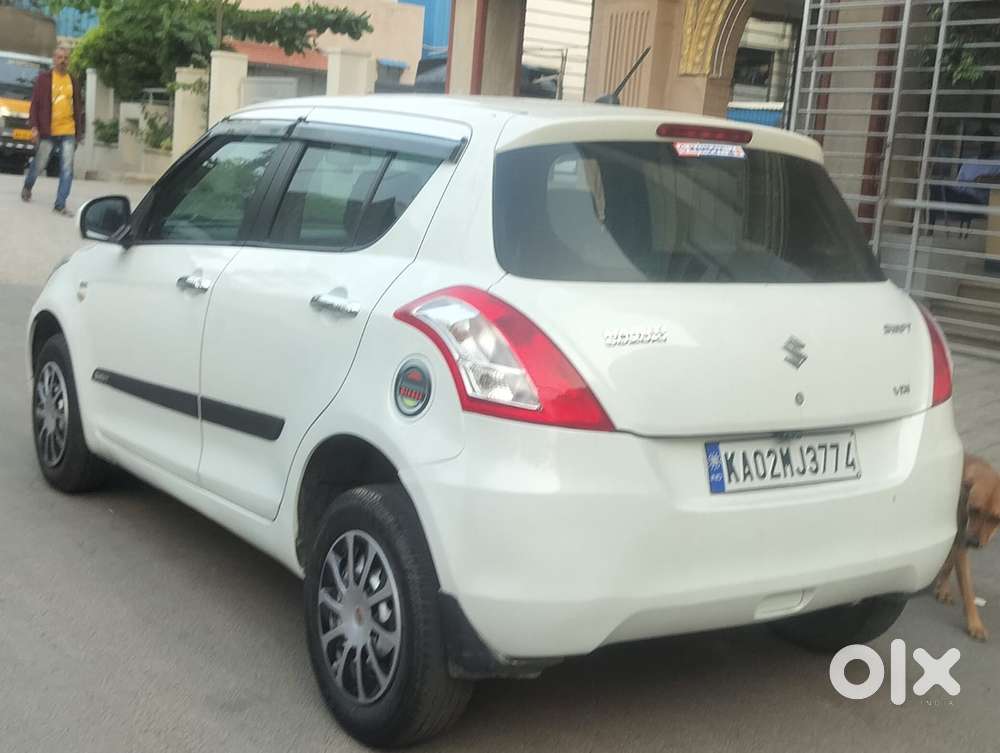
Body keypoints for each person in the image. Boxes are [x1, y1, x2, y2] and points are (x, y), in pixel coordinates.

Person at [20, 46, 84, 215]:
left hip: (68, 130)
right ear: (54, 60)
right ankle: (28, 185)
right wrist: (34, 127)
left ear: (68, 61)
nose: (63, 61)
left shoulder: (73, 80)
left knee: (67, 168)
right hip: (48, 130)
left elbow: (78, 107)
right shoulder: (44, 79)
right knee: (39, 164)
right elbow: (35, 104)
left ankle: (60, 204)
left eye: (66, 58)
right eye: (60, 57)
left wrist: (79, 133)